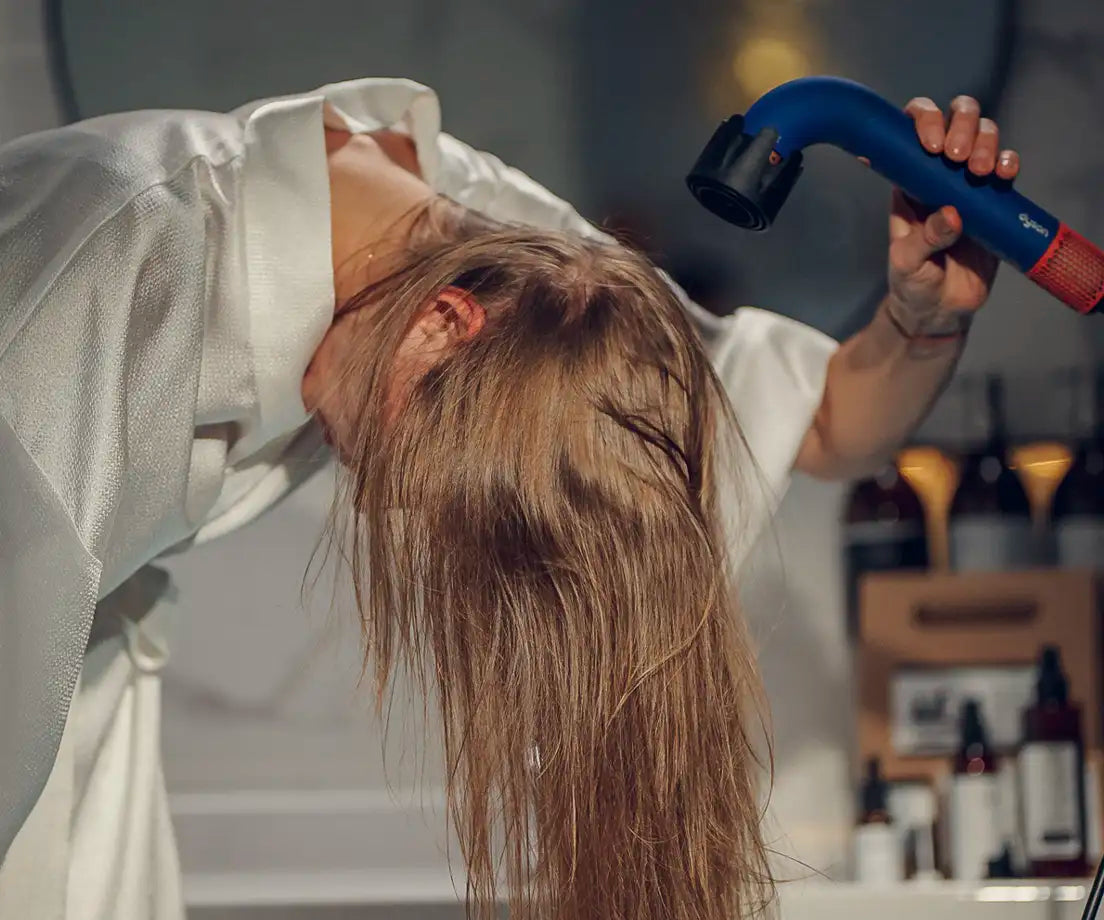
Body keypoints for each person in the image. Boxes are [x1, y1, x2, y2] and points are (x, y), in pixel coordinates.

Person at [0, 77, 1018, 920]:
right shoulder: (106, 252)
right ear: (438, 328)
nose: (385, 505)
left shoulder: (505, 265)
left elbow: (828, 421)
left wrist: (923, 316)